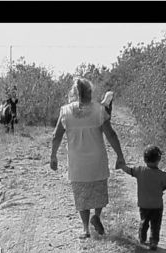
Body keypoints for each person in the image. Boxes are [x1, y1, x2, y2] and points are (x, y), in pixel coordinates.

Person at [50, 78, 126, 240]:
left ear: (74, 93)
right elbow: (111, 134)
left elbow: (56, 136)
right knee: (99, 190)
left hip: (77, 162)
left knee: (81, 195)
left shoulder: (65, 111)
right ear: (90, 93)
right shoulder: (99, 110)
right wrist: (120, 155)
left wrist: (53, 156)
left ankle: (85, 229)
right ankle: (96, 216)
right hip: (97, 159)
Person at [117, 145, 166, 250]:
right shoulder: (161, 174)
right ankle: (154, 242)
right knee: (155, 225)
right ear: (158, 160)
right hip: (157, 206)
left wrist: (122, 166)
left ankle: (142, 238)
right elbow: (164, 187)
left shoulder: (140, 170)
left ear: (144, 159)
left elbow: (129, 170)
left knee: (144, 221)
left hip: (144, 204)